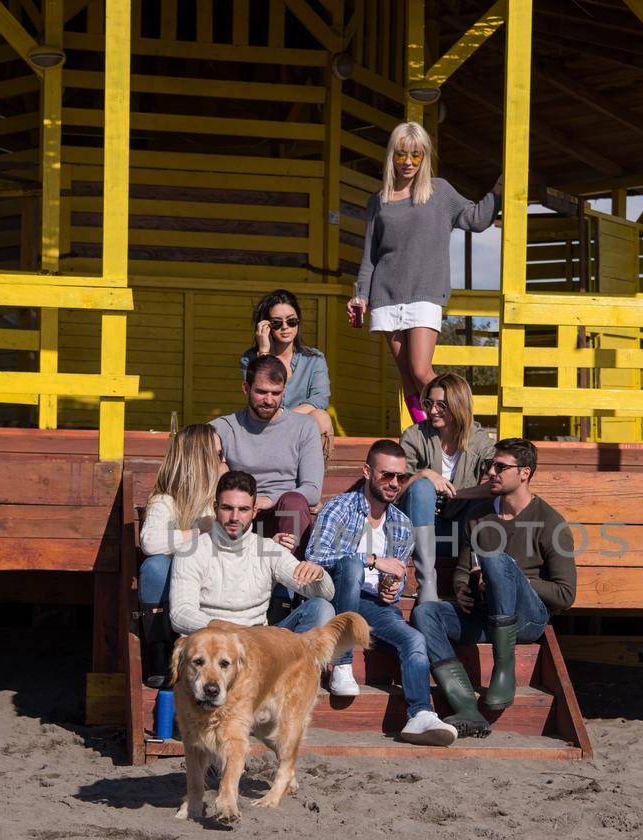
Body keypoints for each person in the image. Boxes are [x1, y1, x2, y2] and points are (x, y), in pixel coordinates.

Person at [412, 439, 577, 738]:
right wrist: (463, 588)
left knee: (498, 560)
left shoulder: (551, 522)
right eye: (491, 465)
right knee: (425, 613)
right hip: (485, 613)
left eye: (501, 467)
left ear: (524, 472)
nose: (491, 472)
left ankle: (504, 671)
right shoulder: (478, 515)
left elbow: (566, 595)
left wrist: (517, 580)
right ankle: (466, 708)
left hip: (527, 619)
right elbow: (462, 572)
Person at [347, 122, 501, 426]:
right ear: (392, 155)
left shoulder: (440, 192)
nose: (407, 162)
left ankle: (463, 426)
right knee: (406, 374)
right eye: (402, 154)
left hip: (425, 293)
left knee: (420, 369)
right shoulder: (378, 201)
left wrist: (498, 191)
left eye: (415, 156)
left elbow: (477, 220)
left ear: (424, 157)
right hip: (385, 296)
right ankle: (424, 432)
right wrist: (360, 296)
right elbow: (370, 256)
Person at [305, 440, 456, 746]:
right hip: (334, 598)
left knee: (414, 639)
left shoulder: (401, 523)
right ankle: (343, 662)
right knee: (351, 566)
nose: (394, 484)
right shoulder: (339, 507)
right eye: (387, 475)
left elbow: (397, 579)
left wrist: (392, 587)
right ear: (367, 471)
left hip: (374, 605)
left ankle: (420, 714)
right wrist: (372, 560)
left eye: (401, 478)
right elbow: (314, 557)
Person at [169, 470, 335, 638]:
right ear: (215, 507)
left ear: (254, 511)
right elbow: (180, 614)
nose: (235, 517)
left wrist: (319, 575)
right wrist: (230, 629)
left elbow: (326, 594)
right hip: (210, 646)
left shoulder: (267, 549)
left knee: (321, 609)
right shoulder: (191, 551)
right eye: (227, 508)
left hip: (258, 646)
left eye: (243, 509)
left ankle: (296, 664)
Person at [137, 424, 226, 687]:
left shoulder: (222, 499)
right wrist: (200, 530)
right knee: (155, 566)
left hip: (213, 592)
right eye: (218, 455)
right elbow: (150, 541)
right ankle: (159, 650)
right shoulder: (167, 500)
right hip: (177, 593)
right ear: (199, 460)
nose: (224, 461)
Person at [397, 372, 496, 604]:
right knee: (421, 487)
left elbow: (499, 482)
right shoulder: (414, 436)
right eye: (429, 403)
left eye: (442, 405)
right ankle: (427, 582)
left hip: (459, 532)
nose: (432, 411)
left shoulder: (479, 440)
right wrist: (424, 474)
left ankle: (476, 582)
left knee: (484, 505)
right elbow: (395, 488)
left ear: (459, 405)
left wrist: (461, 494)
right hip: (417, 532)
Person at [212, 354, 324, 547]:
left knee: (294, 502)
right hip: (238, 517)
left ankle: (290, 573)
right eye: (262, 392)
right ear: (246, 388)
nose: (269, 400)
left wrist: (271, 499)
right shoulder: (224, 427)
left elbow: (312, 490)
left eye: (276, 393)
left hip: (281, 516)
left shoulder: (304, 426)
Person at [240, 288, 334, 467]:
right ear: (265, 326)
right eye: (277, 323)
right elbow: (259, 399)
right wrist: (264, 352)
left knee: (321, 416)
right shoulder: (250, 358)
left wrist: (283, 417)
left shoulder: (314, 359)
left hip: (300, 430)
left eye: (291, 321)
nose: (285, 327)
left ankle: (314, 479)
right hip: (264, 427)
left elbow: (319, 400)